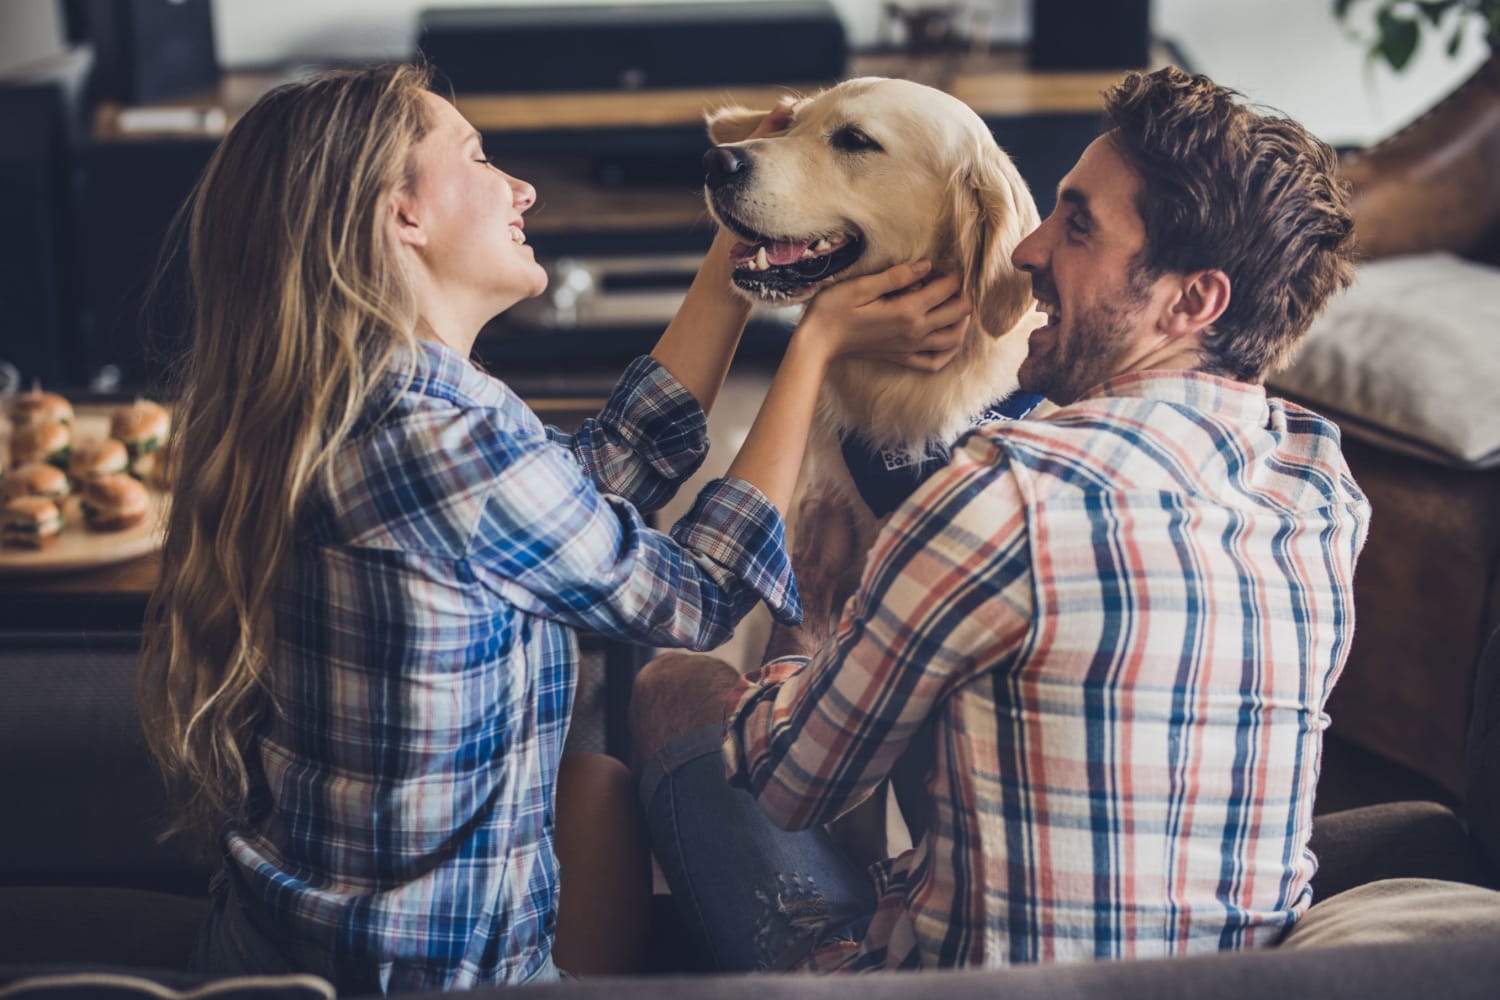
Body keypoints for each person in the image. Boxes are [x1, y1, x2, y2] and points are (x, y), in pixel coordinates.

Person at [135, 63, 972, 994]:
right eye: (479, 158)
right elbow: (692, 597)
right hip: (413, 977)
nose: (521, 187)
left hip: (279, 933)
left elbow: (597, 476)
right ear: (401, 214)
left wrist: (742, 256)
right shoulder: (441, 443)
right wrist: (811, 348)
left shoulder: (375, 401)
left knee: (596, 787)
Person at [630, 65, 1371, 973]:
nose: (1025, 251)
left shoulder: (1000, 497)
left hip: (969, 979)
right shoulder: (1322, 486)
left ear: (1192, 300)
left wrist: (813, 634)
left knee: (670, 683)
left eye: (1078, 226)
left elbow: (791, 783)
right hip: (1233, 976)